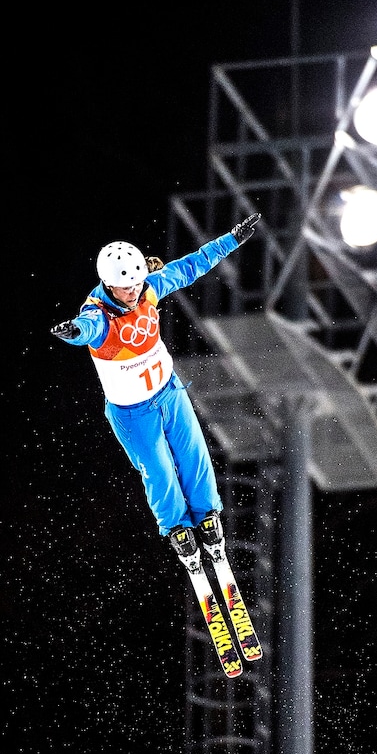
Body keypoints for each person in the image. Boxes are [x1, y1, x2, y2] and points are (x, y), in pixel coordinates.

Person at [50, 213, 261, 566]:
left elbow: (191, 266)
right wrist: (75, 332)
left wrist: (231, 239)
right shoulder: (100, 316)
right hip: (133, 413)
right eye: (125, 288)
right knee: (159, 469)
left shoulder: (148, 287)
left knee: (193, 453)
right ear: (107, 285)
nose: (133, 294)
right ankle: (177, 528)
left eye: (136, 285)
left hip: (169, 392)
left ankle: (207, 517)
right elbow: (87, 328)